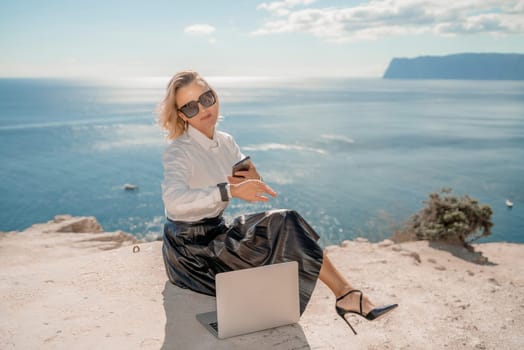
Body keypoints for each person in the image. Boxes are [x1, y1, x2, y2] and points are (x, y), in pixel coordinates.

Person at [157, 70, 397, 335]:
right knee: (284, 228)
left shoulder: (225, 141)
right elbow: (173, 201)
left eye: (206, 98)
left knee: (287, 222)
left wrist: (253, 178)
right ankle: (348, 297)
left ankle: (347, 294)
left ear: (215, 96)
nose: (202, 108)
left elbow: (247, 180)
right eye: (190, 106)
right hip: (191, 251)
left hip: (217, 232)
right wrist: (229, 191)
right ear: (181, 115)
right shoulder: (178, 151)